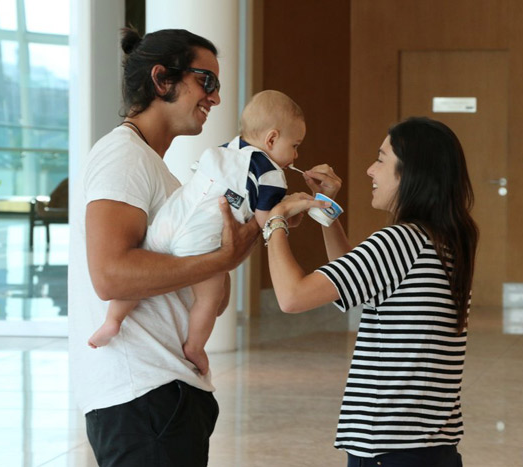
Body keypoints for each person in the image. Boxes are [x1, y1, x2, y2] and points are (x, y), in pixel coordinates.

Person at [68, 28, 259, 467]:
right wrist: (222, 258)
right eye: (205, 81)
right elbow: (111, 275)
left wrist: (230, 252)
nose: (214, 98)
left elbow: (203, 285)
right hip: (144, 397)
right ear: (162, 79)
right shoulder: (124, 158)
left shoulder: (160, 174)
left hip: (161, 397)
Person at [263, 117, 478, 467]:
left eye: (381, 159)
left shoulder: (400, 241)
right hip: (432, 448)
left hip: (387, 448)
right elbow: (358, 281)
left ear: (411, 174)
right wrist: (326, 210)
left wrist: (275, 221)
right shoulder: (446, 241)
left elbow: (291, 297)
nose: (369, 170)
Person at [88, 90, 307, 377]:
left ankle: (113, 321)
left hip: (170, 219)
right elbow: (267, 220)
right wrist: (291, 211)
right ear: (271, 139)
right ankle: (194, 346)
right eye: (295, 145)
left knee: (142, 274)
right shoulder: (271, 175)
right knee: (209, 299)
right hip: (200, 239)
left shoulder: (226, 148)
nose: (296, 155)